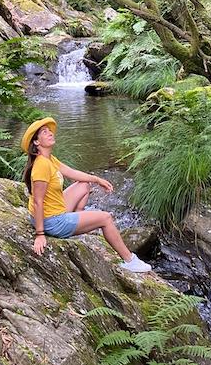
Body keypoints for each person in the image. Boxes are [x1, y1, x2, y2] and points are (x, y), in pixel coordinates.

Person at [21, 116, 152, 274]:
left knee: (84, 185)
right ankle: (130, 260)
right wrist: (40, 235)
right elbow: (37, 201)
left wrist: (97, 179)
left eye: (50, 131)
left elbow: (73, 173)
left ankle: (78, 219)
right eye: (44, 132)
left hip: (52, 212)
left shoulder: (49, 159)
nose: (50, 133)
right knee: (105, 218)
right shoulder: (41, 165)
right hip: (51, 221)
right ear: (36, 142)